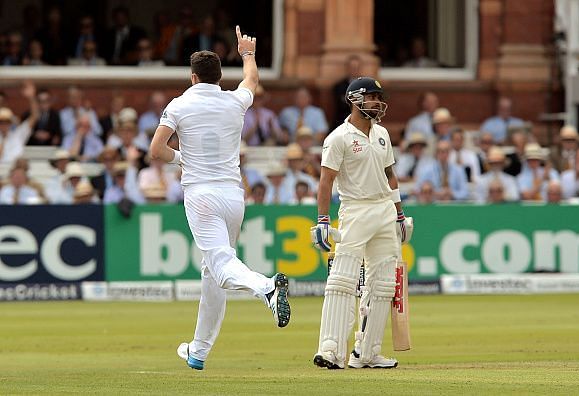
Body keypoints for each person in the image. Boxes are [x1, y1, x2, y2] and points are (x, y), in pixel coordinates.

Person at [149, 26, 291, 371]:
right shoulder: (234, 100)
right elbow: (252, 81)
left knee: (222, 266)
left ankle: (266, 287)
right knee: (212, 271)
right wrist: (248, 53)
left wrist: (182, 158)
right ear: (219, 76)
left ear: (193, 76)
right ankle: (198, 351)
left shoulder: (180, 104)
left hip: (201, 194)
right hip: (233, 195)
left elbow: (156, 150)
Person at [311, 76, 412, 370]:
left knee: (382, 284)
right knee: (342, 279)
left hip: (384, 210)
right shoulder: (338, 137)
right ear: (354, 99)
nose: (378, 103)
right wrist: (322, 220)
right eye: (372, 97)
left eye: (380, 98)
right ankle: (330, 349)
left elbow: (390, 176)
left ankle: (367, 352)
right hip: (355, 209)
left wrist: (400, 214)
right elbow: (326, 181)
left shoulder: (382, 134)